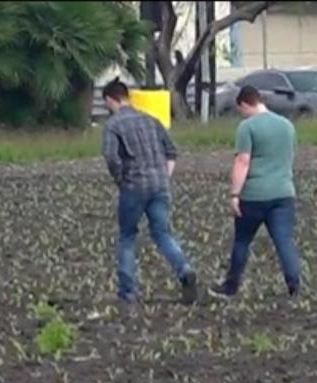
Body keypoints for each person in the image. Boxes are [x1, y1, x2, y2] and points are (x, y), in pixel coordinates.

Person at [100, 78, 198, 304]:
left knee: (127, 237)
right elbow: (172, 152)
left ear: (111, 100)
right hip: (160, 186)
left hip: (134, 186)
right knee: (163, 234)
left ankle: (127, 293)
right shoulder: (151, 120)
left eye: (107, 104)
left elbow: (111, 157)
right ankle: (184, 269)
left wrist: (120, 180)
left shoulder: (113, 125)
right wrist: (164, 176)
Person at [209, 86, 301, 299]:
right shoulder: (287, 125)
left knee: (242, 240)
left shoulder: (247, 127)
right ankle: (294, 284)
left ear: (245, 104)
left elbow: (243, 161)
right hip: (283, 192)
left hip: (254, 194)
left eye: (241, 109)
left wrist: (234, 194)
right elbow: (290, 155)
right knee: (284, 240)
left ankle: (230, 287)